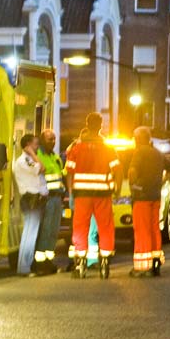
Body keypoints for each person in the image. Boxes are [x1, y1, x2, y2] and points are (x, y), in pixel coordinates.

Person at [66, 113, 123, 279]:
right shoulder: (108, 148)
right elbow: (118, 170)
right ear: (100, 126)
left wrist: (71, 190)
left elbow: (69, 172)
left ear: (87, 124)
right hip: (103, 193)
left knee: (80, 227)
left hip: (82, 194)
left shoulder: (77, 148)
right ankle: (105, 261)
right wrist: (117, 190)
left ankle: (81, 263)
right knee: (105, 227)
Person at [128, 126, 170, 277]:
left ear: (138, 138)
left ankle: (143, 267)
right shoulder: (157, 153)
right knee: (154, 228)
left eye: (135, 138)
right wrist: (161, 182)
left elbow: (132, 172)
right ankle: (156, 262)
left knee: (142, 230)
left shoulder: (139, 152)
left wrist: (133, 185)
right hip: (155, 196)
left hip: (141, 196)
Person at [63, 128, 100, 271]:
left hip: (90, 195)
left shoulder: (88, 151)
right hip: (80, 195)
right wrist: (71, 192)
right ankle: (77, 260)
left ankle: (90, 260)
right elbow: (69, 173)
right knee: (80, 229)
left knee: (91, 230)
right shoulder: (74, 150)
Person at [13, 133, 48, 276]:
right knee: (29, 234)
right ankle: (24, 267)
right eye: (35, 144)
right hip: (31, 200)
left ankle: (26, 266)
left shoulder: (27, 160)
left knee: (31, 233)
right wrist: (33, 154)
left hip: (36, 200)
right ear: (27, 146)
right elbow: (41, 168)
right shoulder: (24, 161)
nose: (37, 146)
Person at [33, 129, 64, 275]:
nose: (52, 142)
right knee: (45, 231)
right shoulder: (38, 156)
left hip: (57, 198)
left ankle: (49, 261)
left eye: (54, 139)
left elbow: (61, 176)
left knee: (53, 232)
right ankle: (39, 264)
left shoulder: (55, 157)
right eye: (49, 139)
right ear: (42, 140)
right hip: (47, 199)